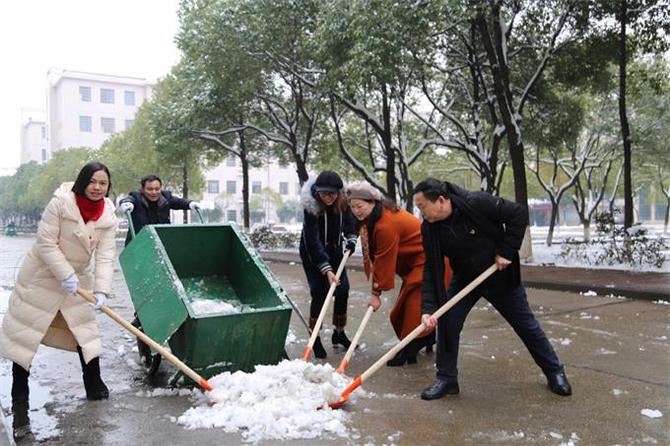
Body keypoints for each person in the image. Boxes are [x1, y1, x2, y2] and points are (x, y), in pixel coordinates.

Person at [414, 177, 572, 400]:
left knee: (525, 325)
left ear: (440, 200)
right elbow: (431, 268)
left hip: (498, 275)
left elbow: (518, 214)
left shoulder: (475, 203)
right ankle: (446, 379)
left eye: (422, 206)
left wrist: (507, 251)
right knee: (448, 323)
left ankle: (555, 372)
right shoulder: (430, 228)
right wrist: (429, 309)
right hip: (465, 279)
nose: (421, 212)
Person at [0, 161, 117, 439]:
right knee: (25, 336)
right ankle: (20, 399)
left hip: (77, 280)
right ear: (82, 181)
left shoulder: (108, 213)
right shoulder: (61, 203)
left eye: (103, 183)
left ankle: (94, 385)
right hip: (41, 276)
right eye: (93, 181)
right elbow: (45, 242)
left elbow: (105, 254)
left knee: (85, 332)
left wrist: (102, 289)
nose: (98, 187)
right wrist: (64, 274)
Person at [346, 181, 452, 366]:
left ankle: (408, 349)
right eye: (353, 207)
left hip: (430, 261)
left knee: (412, 308)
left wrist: (375, 293)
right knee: (400, 311)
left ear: (372, 202)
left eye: (360, 206)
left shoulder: (385, 224)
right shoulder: (372, 220)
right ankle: (424, 340)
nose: (357, 211)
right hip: (415, 265)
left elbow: (383, 259)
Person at [299, 171, 358, 358]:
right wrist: (326, 269)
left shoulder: (343, 202)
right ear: (317, 191)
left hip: (335, 251)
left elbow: (350, 224)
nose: (328, 197)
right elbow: (312, 240)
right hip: (313, 254)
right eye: (324, 193)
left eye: (332, 194)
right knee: (319, 292)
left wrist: (351, 239)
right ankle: (314, 336)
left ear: (339, 193)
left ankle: (338, 333)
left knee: (342, 290)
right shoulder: (311, 208)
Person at [119, 174, 199, 245]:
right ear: (142, 189)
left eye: (157, 189)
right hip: (139, 243)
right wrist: (127, 203)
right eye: (150, 189)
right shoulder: (136, 197)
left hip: (160, 242)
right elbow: (128, 199)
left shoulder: (166, 197)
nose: (154, 192)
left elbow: (179, 202)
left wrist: (190, 203)